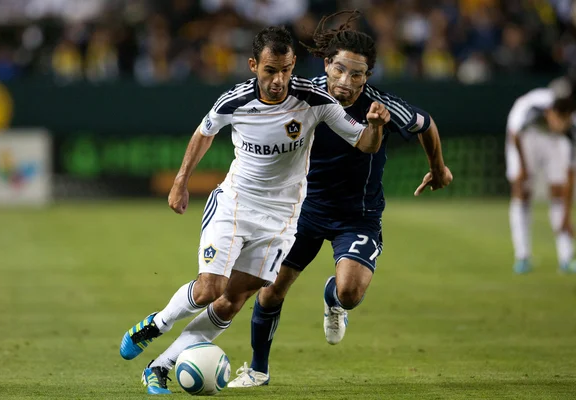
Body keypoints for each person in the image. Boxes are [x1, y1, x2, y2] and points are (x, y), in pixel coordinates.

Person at [119, 25, 391, 395]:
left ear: (294, 64)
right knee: (209, 289)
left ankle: (160, 367)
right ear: (253, 65)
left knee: (232, 302)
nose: (279, 80)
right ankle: (154, 325)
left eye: (286, 70)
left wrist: (375, 126)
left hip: (281, 219)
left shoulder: (315, 100)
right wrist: (181, 181)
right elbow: (204, 132)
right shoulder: (233, 101)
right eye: (270, 71)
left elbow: (365, 144)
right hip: (235, 205)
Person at [227, 11, 453, 387]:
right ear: (326, 64)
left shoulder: (381, 107)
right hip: (303, 209)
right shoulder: (303, 94)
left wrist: (439, 167)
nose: (346, 82)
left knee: (349, 292)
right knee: (271, 291)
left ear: (368, 76)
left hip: (357, 215)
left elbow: (425, 124)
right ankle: (258, 370)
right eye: (340, 70)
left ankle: (333, 301)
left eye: (358, 74)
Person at [506, 76, 576, 274]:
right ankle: (522, 257)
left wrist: (567, 217)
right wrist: (523, 168)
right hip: (525, 137)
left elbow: (571, 176)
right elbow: (515, 134)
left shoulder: (571, 129)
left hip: (553, 142)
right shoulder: (529, 110)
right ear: (549, 112)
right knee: (522, 190)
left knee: (558, 191)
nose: (561, 123)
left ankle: (566, 258)